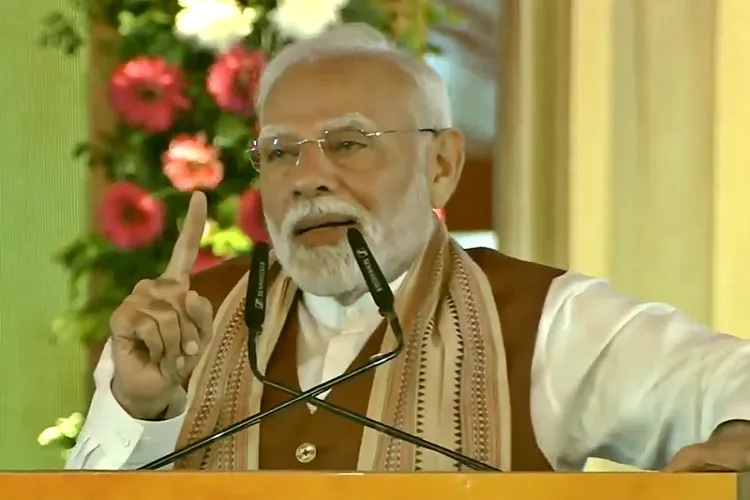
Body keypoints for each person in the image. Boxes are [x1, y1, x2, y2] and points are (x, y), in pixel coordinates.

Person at [66, 23, 750, 472]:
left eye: (349, 143)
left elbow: (731, 379)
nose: (307, 179)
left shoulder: (543, 320)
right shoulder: (188, 321)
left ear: (443, 164)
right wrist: (138, 407)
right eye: (279, 153)